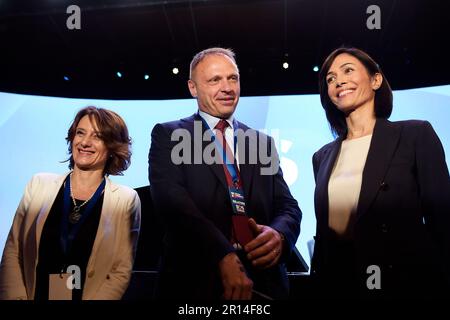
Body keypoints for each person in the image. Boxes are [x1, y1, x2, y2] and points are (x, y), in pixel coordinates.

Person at [148, 48, 301, 300]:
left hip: (264, 282)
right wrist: (223, 254)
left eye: (233, 78)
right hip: (196, 283)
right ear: (193, 88)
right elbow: (173, 205)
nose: (227, 87)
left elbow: (288, 206)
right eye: (214, 80)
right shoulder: (169, 135)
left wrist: (280, 235)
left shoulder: (262, 142)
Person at [311, 47, 450, 299]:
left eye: (348, 71)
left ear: (376, 80)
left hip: (401, 282)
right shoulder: (321, 156)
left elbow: (442, 220)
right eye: (330, 79)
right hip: (337, 282)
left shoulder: (415, 135)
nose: (338, 81)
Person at [0, 106, 141, 300]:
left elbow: (121, 269)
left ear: (112, 147)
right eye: (80, 133)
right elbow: (13, 249)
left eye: (97, 136)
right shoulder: (39, 184)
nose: (84, 142)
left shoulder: (126, 199)